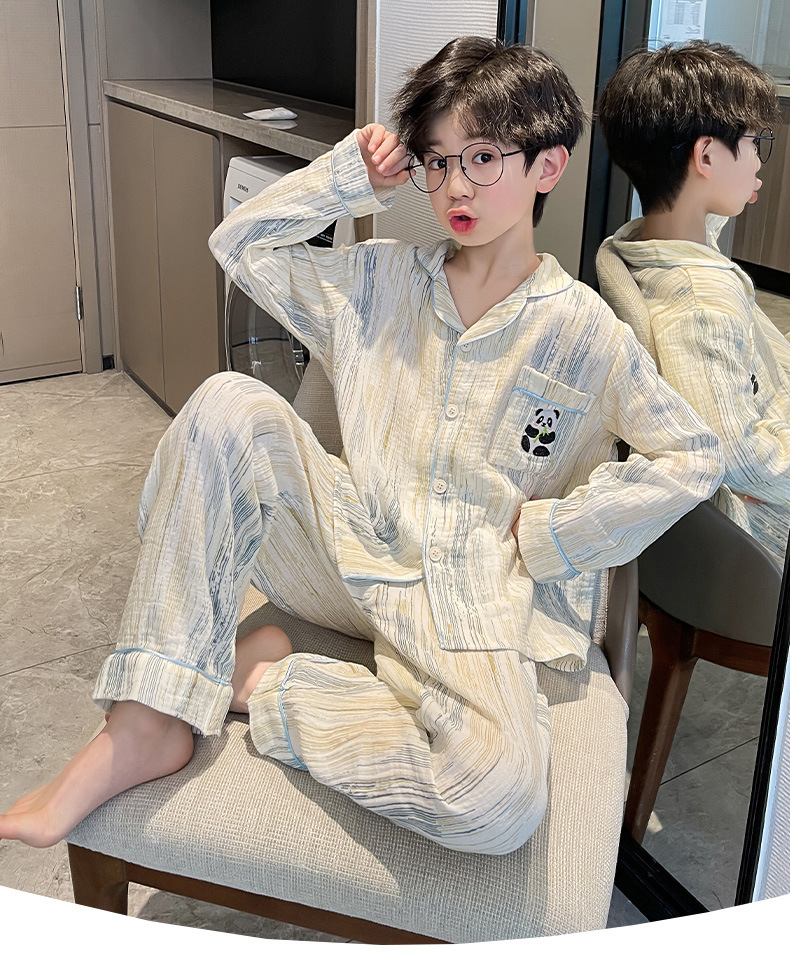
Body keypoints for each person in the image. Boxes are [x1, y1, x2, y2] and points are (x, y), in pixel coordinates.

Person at [0, 36, 723, 857]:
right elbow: (239, 245)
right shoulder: (376, 281)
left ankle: (263, 683)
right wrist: (348, 178)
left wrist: (559, 533)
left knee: (495, 797)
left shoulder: (585, 331)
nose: (456, 185)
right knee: (228, 403)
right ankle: (143, 724)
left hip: (468, 593)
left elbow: (692, 454)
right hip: (347, 550)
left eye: (484, 157)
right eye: (437, 161)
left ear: (548, 166)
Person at [597, 41, 790, 567]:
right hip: (757, 528)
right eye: (754, 143)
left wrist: (724, 190)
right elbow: (739, 457)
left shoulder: (639, 244)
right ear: (705, 157)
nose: (759, 161)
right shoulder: (702, 303)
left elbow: (707, 221)